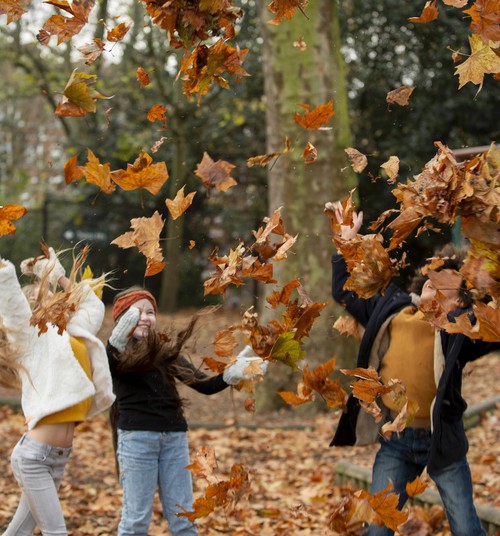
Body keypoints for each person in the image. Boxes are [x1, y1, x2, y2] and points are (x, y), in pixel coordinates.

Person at [328, 207, 499, 536]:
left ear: (459, 303)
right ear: (422, 286)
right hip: (397, 442)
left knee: (466, 527)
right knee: (377, 529)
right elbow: (344, 294)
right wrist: (345, 244)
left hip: (443, 443)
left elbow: (493, 330)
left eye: (448, 293)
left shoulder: (459, 333)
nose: (437, 296)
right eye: (433, 287)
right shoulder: (392, 311)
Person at [107, 287, 267, 536]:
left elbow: (204, 385)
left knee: (184, 519)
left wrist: (231, 374)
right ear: (120, 320)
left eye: (150, 312)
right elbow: (109, 366)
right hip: (137, 441)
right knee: (136, 521)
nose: (145, 317)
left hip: (174, 441)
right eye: (135, 312)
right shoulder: (117, 355)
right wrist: (114, 344)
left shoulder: (165, 352)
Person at [0, 247, 115, 536]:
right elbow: (14, 310)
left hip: (57, 457)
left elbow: (94, 306)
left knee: (19, 532)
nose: (58, 300)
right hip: (34, 458)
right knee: (56, 532)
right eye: (48, 297)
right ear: (34, 309)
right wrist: (5, 271)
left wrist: (57, 275)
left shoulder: (72, 331)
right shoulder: (32, 340)